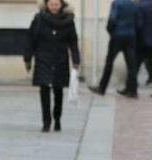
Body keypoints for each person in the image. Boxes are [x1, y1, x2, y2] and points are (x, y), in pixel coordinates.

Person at [24, 0, 80, 132]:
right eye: (51, 4)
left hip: (60, 58)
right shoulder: (39, 19)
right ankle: (46, 121)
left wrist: (76, 60)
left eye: (56, 4)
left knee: (58, 89)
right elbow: (31, 39)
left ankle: (57, 118)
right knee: (44, 89)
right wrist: (27, 58)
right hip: (43, 57)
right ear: (46, 5)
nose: (54, 7)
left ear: (61, 5)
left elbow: (73, 41)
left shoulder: (68, 20)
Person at [90, 0, 141, 97]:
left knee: (109, 62)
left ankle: (102, 88)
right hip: (130, 36)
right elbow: (138, 23)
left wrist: (110, 31)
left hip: (117, 36)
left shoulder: (116, 3)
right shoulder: (134, 5)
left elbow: (112, 19)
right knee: (131, 65)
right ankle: (133, 90)